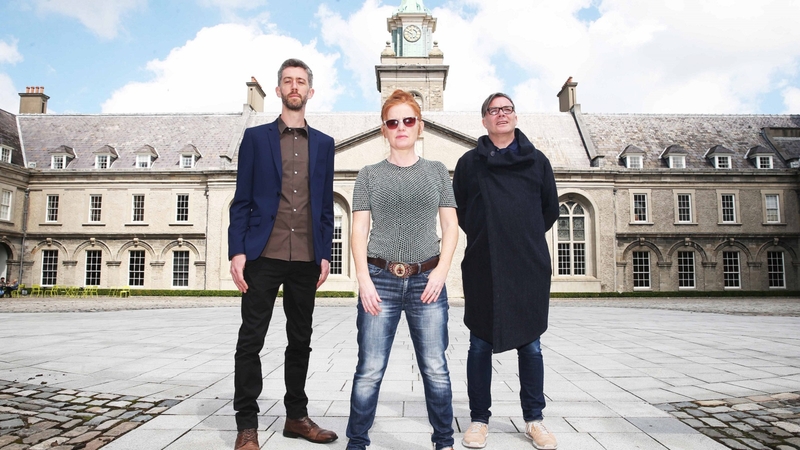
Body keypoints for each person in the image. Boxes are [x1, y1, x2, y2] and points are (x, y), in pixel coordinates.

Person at [228, 58, 337, 450]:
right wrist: (237, 250)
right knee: (251, 340)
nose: (295, 87)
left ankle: (296, 417)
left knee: (300, 339)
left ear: (310, 91)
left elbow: (325, 206)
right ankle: (247, 425)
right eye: (288, 81)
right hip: (263, 254)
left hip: (306, 257)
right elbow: (241, 201)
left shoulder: (324, 144)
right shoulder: (256, 139)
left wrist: (324, 253)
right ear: (278, 90)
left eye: (301, 82)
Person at [346, 89, 459, 450]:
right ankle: (357, 442)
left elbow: (451, 227)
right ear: (384, 129)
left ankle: (444, 441)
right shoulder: (367, 175)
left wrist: (441, 272)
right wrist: (363, 279)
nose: (400, 127)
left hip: (427, 280)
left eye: (408, 120)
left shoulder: (438, 172)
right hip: (381, 280)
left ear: (419, 126)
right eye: (392, 122)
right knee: (369, 369)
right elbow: (359, 229)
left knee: (435, 368)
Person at [452, 93, 560, 450]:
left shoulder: (538, 162)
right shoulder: (470, 164)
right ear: (484, 120)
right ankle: (479, 420)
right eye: (493, 110)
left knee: (531, 346)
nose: (501, 114)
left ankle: (534, 420)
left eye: (507, 109)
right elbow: (463, 212)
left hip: (527, 264)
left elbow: (549, 210)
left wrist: (521, 236)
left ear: (515, 116)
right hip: (484, 264)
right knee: (479, 343)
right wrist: (489, 236)